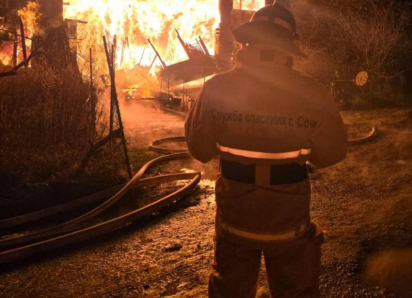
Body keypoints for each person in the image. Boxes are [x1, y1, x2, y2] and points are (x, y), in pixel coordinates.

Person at [185, 2, 347, 297]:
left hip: (235, 224)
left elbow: (199, 148)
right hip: (290, 227)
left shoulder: (216, 88)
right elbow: (332, 153)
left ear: (246, 42)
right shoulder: (314, 92)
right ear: (288, 46)